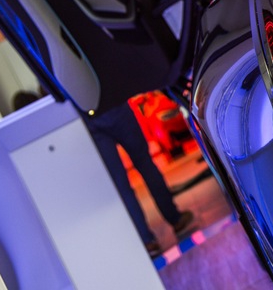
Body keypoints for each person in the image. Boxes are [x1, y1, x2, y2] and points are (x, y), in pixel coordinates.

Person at [84, 101, 196, 255]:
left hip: (89, 119)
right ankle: (175, 219)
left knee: (120, 183)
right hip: (115, 105)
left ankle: (147, 241)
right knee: (145, 164)